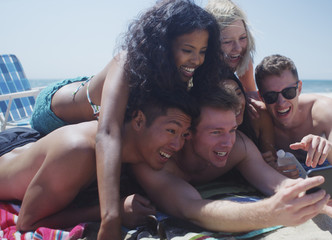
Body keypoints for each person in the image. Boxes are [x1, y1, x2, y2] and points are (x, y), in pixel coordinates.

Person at [29, 0, 223, 238]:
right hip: (55, 112)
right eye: (188, 50)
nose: (196, 60)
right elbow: (108, 133)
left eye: (202, 51)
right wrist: (110, 217)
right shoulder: (128, 62)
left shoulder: (175, 75)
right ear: (164, 45)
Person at [131, 84, 332, 232]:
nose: (228, 142)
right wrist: (270, 213)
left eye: (232, 129)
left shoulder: (239, 146)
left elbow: (276, 183)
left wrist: (320, 201)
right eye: (216, 132)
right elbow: (193, 209)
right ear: (188, 133)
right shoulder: (157, 160)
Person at [0, 87, 198, 232]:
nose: (177, 145)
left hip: (31, 142)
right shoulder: (77, 153)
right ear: (138, 121)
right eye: (171, 131)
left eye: (183, 135)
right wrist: (112, 210)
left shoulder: (136, 147)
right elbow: (27, 222)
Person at [255, 54, 332, 179]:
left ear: (299, 88)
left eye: (288, 92)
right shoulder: (259, 118)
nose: (281, 103)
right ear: (261, 97)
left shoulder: (324, 109)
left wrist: (330, 150)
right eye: (271, 96)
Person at [220, 73, 298, 178]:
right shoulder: (209, 127)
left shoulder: (258, 116)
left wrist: (268, 164)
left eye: (238, 93)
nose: (237, 102)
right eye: (227, 96)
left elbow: (272, 158)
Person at [205, 0, 257, 93]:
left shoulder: (244, 61)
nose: (238, 48)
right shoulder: (195, 72)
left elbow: (252, 95)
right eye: (227, 42)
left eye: (243, 38)